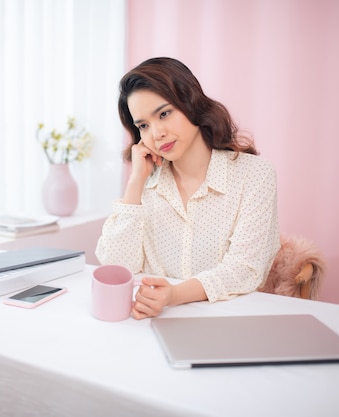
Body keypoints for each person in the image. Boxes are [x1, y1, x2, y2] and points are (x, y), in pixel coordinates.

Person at [95, 57, 280, 320]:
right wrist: (136, 182)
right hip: (149, 322)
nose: (156, 133)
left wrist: (173, 295)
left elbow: (245, 269)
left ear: (191, 104)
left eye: (164, 114)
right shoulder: (147, 180)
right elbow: (117, 267)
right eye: (143, 126)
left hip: (228, 320)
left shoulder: (254, 174)